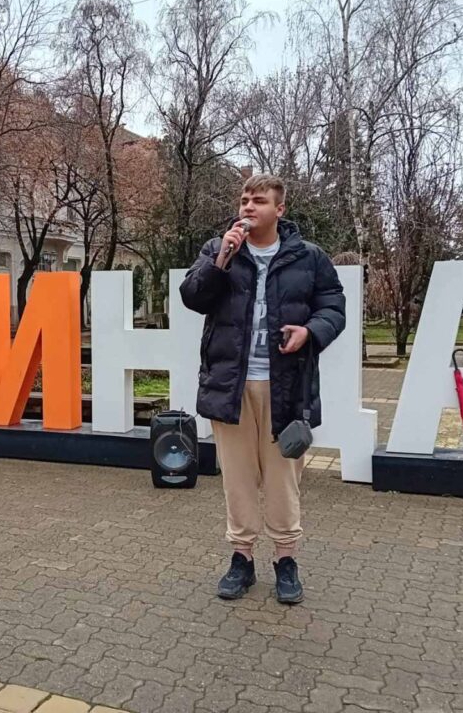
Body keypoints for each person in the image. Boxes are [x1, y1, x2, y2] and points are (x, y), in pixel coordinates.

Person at [180, 174, 346, 604]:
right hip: (230, 385)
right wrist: (221, 258)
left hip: (286, 387)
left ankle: (286, 560)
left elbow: (334, 307)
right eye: (244, 200)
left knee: (282, 480)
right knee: (237, 479)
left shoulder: (309, 257)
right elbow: (193, 297)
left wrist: (310, 331)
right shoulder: (218, 250)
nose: (248, 207)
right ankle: (242, 559)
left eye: (258, 201)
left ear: (280, 209)